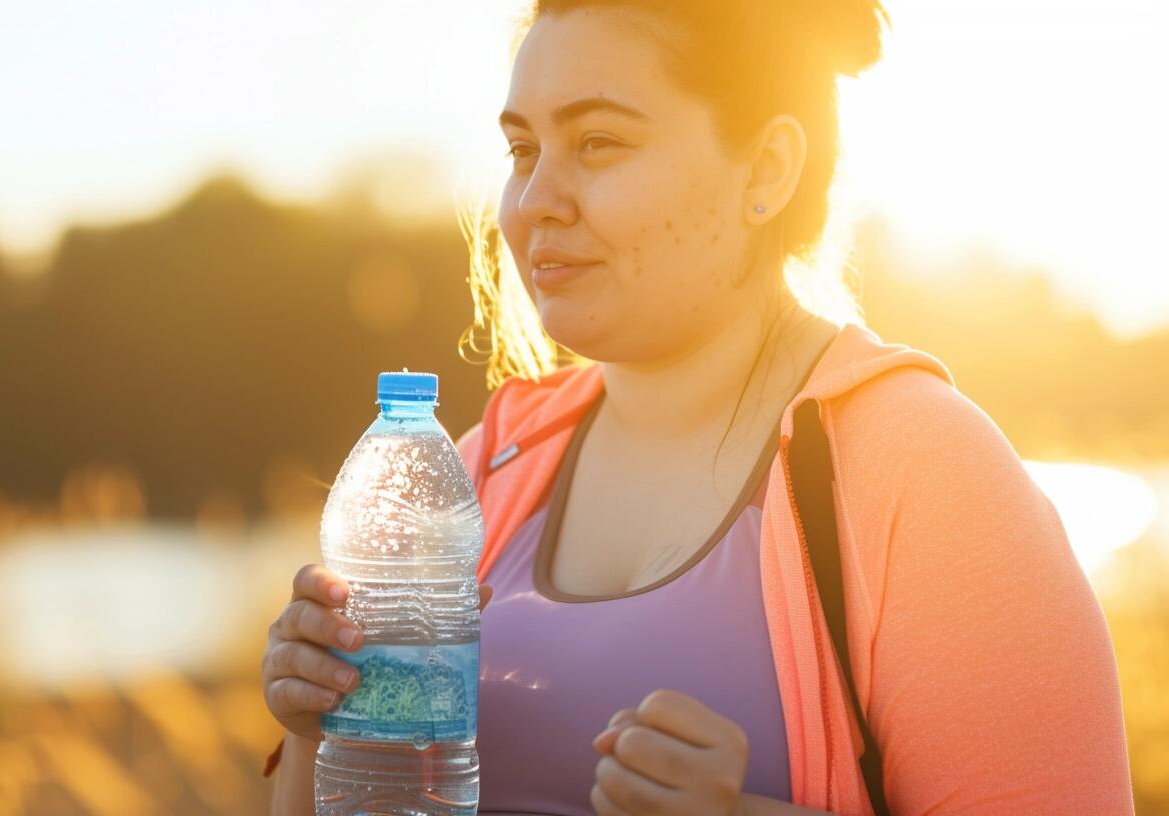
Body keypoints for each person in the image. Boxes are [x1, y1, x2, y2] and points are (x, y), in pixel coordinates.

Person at [261, 1, 1134, 814]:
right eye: (522, 151)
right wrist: (319, 724)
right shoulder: (491, 458)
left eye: (598, 142)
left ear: (767, 168)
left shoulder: (930, 471)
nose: (535, 203)